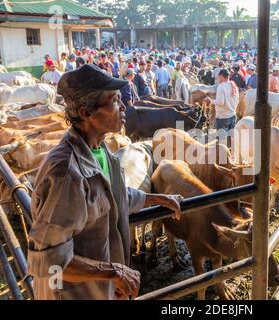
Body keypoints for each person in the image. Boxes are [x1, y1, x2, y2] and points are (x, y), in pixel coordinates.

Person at [28, 64, 182, 300]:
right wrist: (114, 272)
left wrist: (157, 198)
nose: (124, 107)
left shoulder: (102, 152)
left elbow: (113, 197)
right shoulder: (65, 174)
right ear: (85, 113)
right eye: (114, 100)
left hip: (102, 290)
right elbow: (49, 263)